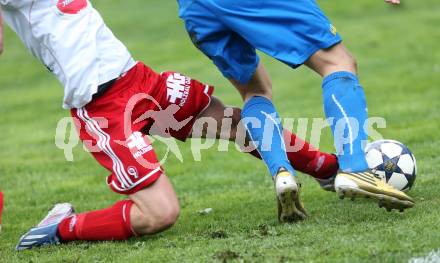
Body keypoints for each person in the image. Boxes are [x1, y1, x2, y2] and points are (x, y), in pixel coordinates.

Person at [0, 0, 338, 250]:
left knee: (235, 123)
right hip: (101, 106)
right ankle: (62, 228)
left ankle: (329, 169)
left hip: (138, 79)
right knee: (159, 214)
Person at [176, 0, 414, 212]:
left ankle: (282, 173)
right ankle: (355, 167)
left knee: (254, 90)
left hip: (195, 8)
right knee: (337, 61)